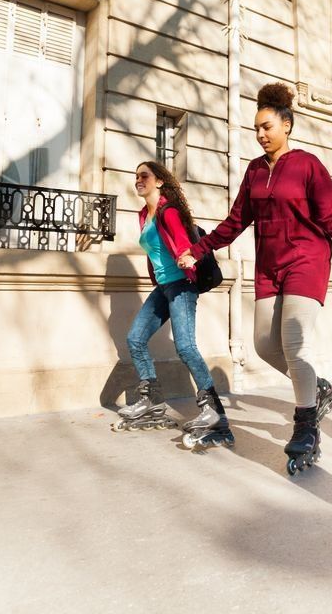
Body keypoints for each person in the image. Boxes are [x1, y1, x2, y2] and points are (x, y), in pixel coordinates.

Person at [177, 83, 332, 474]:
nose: (260, 134)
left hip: (306, 260)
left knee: (294, 343)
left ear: (287, 124)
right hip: (268, 266)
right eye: (256, 129)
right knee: (263, 344)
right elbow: (236, 222)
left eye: (267, 126)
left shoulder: (307, 165)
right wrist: (198, 249)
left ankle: (305, 427)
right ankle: (316, 389)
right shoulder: (254, 170)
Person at [113, 161, 234, 451]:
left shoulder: (169, 211)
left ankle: (213, 410)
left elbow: (181, 241)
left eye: (145, 176)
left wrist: (186, 256)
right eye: (136, 176)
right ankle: (151, 400)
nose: (138, 180)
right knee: (135, 338)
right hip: (164, 286)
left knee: (185, 346)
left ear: (160, 182)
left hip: (183, 284)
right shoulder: (145, 214)